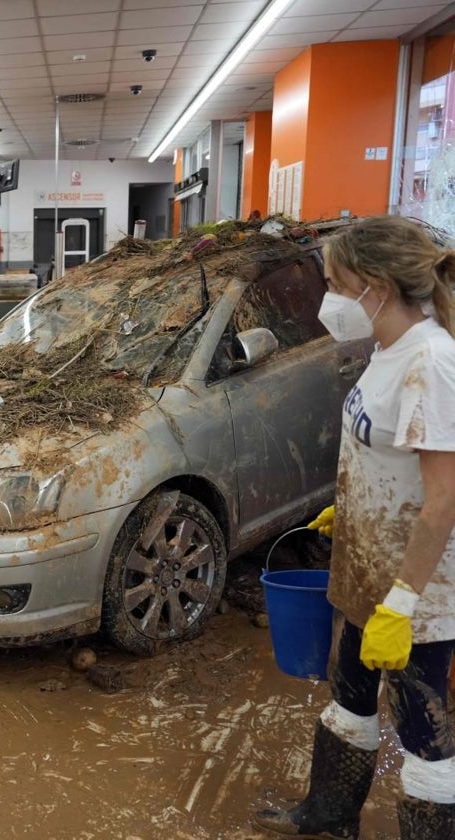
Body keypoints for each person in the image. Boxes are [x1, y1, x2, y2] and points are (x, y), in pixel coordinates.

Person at [253, 215, 455, 839]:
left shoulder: (434, 364)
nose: (330, 300)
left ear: (376, 286)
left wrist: (401, 605)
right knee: (349, 698)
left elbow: (445, 500)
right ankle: (329, 816)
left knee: (426, 734)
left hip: (418, 599)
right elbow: (389, 453)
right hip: (370, 572)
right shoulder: (388, 352)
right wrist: (354, 505)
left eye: (337, 283)